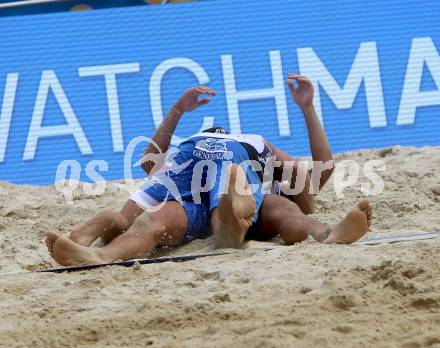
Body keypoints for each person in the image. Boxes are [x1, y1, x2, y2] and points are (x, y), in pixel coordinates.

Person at [46, 74, 372, 266]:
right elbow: (321, 173)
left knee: (152, 221)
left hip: (190, 194)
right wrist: (308, 109)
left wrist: (176, 111)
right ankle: (325, 234)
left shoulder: (190, 144)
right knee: (288, 212)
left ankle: (103, 254)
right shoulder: (252, 142)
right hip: (239, 180)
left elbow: (148, 165)